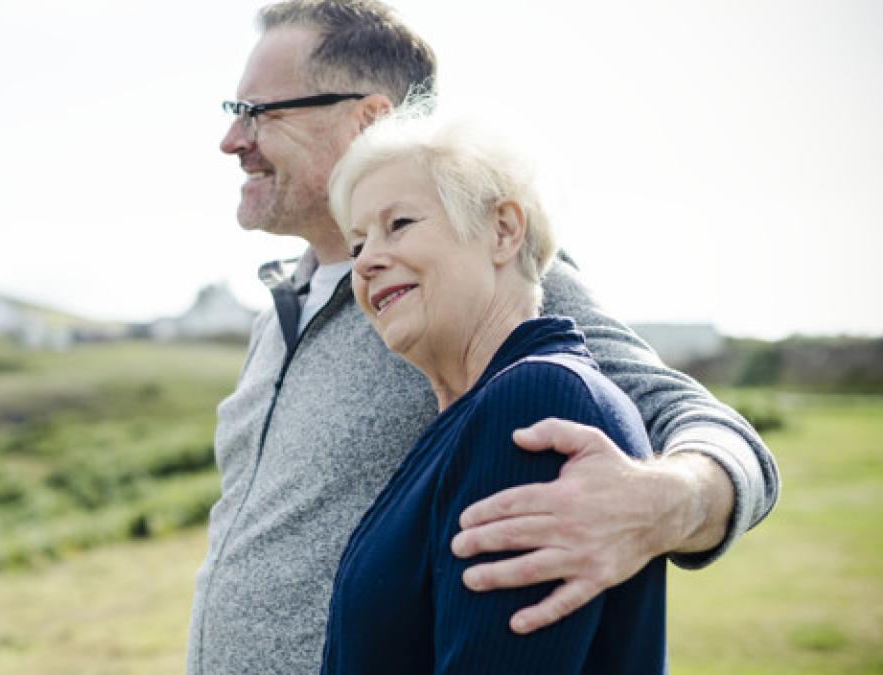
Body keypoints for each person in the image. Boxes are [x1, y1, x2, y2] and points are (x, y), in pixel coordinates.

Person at [187, 2, 779, 672]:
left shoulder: (477, 276)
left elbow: (699, 422)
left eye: (257, 110)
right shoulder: (279, 312)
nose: (232, 139)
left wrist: (669, 501)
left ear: (372, 119)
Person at [322, 108, 664, 673]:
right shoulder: (470, 419)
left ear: (504, 230)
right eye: (357, 246)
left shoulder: (535, 403)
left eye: (399, 223)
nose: (367, 263)